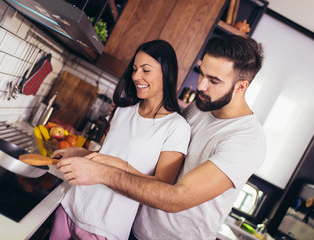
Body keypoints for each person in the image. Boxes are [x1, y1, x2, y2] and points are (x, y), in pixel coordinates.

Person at [57, 34, 266, 239]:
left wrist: (102, 172)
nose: (200, 85)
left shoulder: (246, 141)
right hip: (135, 227)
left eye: (213, 80)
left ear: (241, 87)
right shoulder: (200, 107)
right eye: (202, 74)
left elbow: (177, 198)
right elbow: (153, 150)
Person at [49, 40, 191, 240]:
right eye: (134, 69)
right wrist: (81, 153)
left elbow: (162, 187)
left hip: (105, 228)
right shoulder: (122, 111)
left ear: (166, 73)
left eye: (145, 70)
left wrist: (120, 165)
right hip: (71, 205)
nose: (136, 76)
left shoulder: (176, 127)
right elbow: (105, 156)